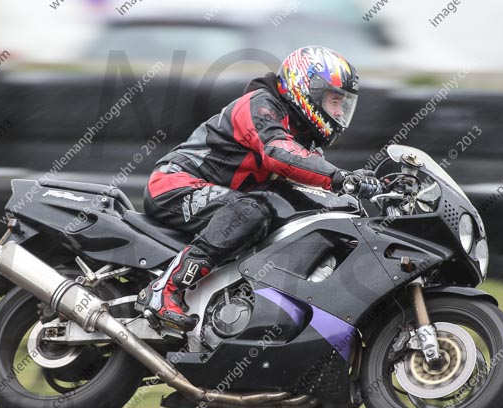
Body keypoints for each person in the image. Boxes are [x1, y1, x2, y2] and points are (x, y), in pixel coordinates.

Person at [137, 46, 382, 332]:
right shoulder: (261, 104)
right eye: (334, 100)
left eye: (344, 104)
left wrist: (360, 188)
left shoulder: (305, 137)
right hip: (175, 183)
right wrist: (340, 178)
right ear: (308, 88)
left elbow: (312, 186)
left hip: (226, 198)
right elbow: (278, 153)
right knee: (251, 212)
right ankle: (164, 290)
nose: (339, 112)